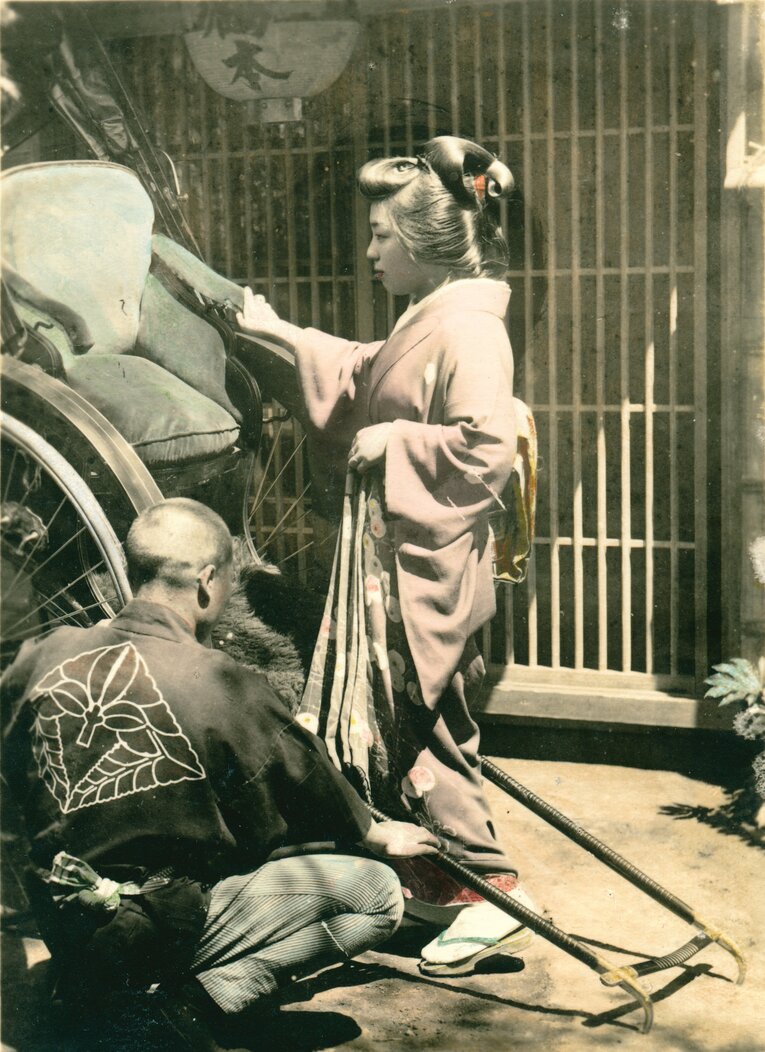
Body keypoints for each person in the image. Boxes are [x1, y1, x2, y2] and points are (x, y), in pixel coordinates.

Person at [236, 135, 537, 977]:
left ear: (425, 244)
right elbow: (367, 370)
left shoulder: (472, 331)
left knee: (422, 728)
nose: (369, 252)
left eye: (380, 237)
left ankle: (491, 892)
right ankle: (440, 888)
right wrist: (282, 334)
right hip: (402, 551)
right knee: (416, 729)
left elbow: (485, 450)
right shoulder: (437, 313)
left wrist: (397, 438)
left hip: (424, 562)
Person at [1, 497, 439, 1038]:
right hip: (155, 927)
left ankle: (109, 989)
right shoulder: (221, 681)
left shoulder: (41, 655)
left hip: (61, 921)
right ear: (208, 582)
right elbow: (300, 794)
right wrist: (372, 830)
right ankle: (190, 1004)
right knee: (375, 894)